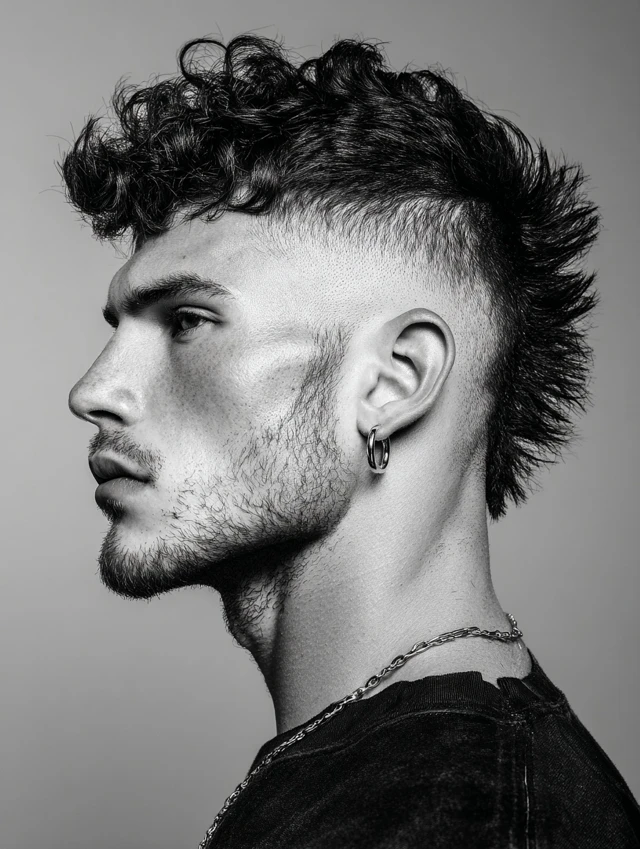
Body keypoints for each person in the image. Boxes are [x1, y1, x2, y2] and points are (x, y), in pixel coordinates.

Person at [62, 33, 640, 848]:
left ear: (393, 381)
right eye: (119, 326)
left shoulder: (464, 819)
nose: (94, 390)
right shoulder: (396, 769)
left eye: (187, 321)